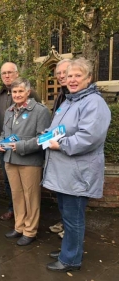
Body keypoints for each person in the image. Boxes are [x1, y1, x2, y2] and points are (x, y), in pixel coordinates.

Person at [42, 58, 111, 272]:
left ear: (89, 78)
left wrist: (59, 144)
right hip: (65, 172)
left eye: (78, 76)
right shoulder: (70, 101)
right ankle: (68, 248)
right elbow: (61, 128)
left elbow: (89, 137)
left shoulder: (94, 103)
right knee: (67, 215)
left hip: (78, 172)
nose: (72, 80)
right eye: (69, 75)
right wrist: (49, 135)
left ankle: (71, 258)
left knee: (74, 218)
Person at [0, 77, 51, 246]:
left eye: (21, 91)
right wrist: (0, 143)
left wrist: (20, 146)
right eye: (14, 91)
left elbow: (44, 139)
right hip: (10, 159)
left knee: (31, 197)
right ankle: (19, 226)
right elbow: (4, 133)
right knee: (17, 196)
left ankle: (30, 231)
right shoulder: (9, 111)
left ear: (28, 92)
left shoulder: (40, 111)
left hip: (29, 161)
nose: (17, 94)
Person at [0, 62, 41, 221]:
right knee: (10, 182)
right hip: (5, 147)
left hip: (26, 150)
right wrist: (0, 141)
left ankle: (28, 218)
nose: (6, 75)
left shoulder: (32, 96)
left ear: (17, 73)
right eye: (3, 73)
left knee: (28, 188)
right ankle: (13, 210)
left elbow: (39, 125)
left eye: (9, 72)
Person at [49, 59, 72, 238]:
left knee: (71, 196)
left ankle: (69, 230)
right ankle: (64, 222)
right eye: (59, 73)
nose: (62, 76)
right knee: (62, 195)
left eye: (66, 72)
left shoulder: (77, 96)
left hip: (70, 152)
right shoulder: (61, 95)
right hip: (58, 151)